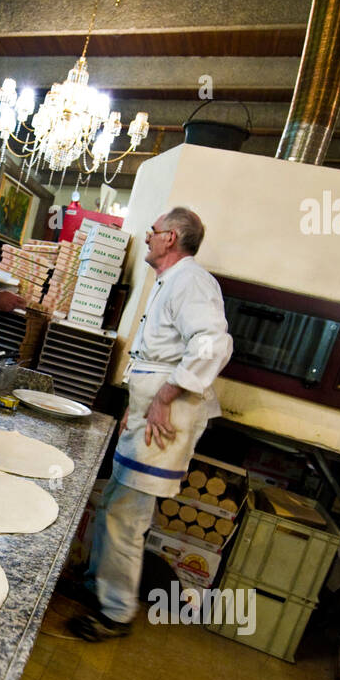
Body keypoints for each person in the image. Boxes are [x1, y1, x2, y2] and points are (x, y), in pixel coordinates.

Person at [69, 206, 233, 641]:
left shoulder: (192, 281)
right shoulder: (171, 280)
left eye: (153, 230)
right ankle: (98, 586)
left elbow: (212, 345)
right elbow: (155, 354)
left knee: (127, 516)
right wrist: (136, 404)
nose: (147, 236)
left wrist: (161, 398)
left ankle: (117, 612)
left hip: (167, 421)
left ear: (171, 239)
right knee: (113, 506)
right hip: (148, 414)